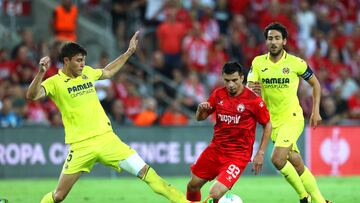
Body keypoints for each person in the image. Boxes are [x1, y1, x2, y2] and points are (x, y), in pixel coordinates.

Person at [26, 31, 188, 203]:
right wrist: (41, 73)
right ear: (66, 60)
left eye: (84, 60)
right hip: (81, 146)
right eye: (78, 60)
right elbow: (32, 95)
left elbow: (108, 72)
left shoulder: (87, 73)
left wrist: (128, 53)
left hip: (107, 140)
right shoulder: (54, 82)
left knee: (146, 172)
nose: (83, 64)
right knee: (58, 196)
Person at [247, 22, 331, 203]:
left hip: (292, 118)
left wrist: (315, 111)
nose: (273, 42)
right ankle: (320, 200)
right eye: (270, 38)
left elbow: (316, 84)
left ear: (284, 41)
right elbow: (251, 87)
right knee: (295, 160)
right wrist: (253, 92)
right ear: (266, 42)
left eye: (277, 38)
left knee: (277, 159)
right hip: (272, 122)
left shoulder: (296, 63)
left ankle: (303, 197)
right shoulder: (258, 63)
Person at [186, 62, 272, 203]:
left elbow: (267, 125)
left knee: (214, 194)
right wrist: (200, 110)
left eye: (234, 80)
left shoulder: (254, 101)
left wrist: (261, 153)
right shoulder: (218, 94)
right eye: (227, 81)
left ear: (242, 78)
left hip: (237, 156)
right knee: (192, 186)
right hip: (215, 150)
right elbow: (200, 118)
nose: (230, 84)